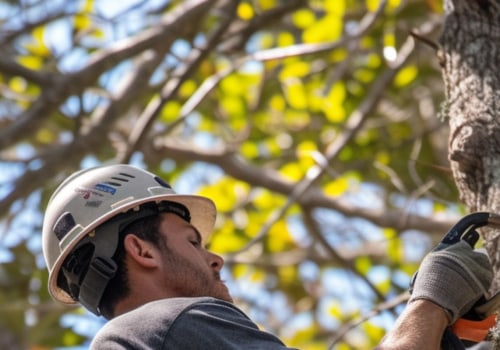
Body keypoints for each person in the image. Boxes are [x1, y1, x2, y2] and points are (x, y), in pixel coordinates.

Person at [42, 164, 494, 349]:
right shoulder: (166, 325)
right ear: (140, 250)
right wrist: (432, 299)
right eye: (192, 243)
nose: (216, 261)